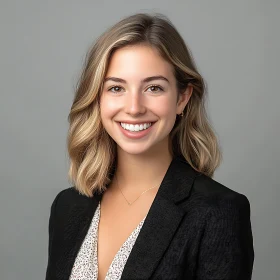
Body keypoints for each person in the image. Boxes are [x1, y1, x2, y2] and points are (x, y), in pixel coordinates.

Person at [45, 13, 254, 280]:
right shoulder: (67, 206)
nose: (134, 108)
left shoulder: (218, 212)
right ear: (97, 98)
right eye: (116, 88)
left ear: (182, 98)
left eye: (154, 88)